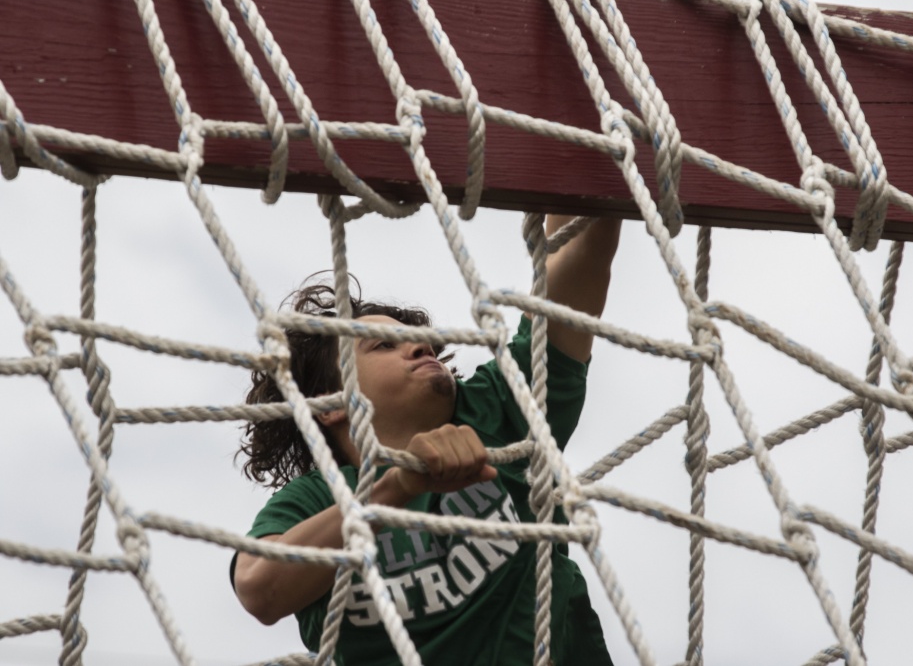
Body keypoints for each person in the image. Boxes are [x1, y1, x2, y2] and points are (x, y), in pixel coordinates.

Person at [232, 214, 622, 665]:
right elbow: (260, 589)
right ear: (332, 403)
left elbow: (580, 253)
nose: (420, 348)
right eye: (383, 345)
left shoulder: (498, 413)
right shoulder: (315, 499)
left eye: (421, 342)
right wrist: (397, 487)